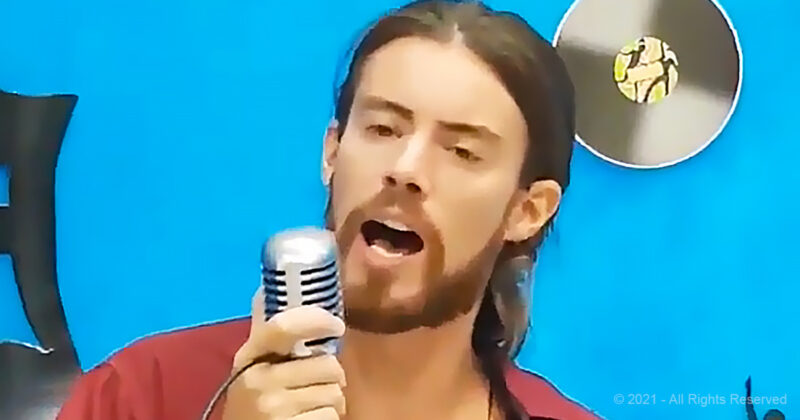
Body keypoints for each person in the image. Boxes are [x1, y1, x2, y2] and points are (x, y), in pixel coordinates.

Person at [58, 1, 600, 419]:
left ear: (527, 211)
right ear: (332, 153)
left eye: (461, 151)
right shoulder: (140, 394)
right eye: (383, 129)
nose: (405, 168)